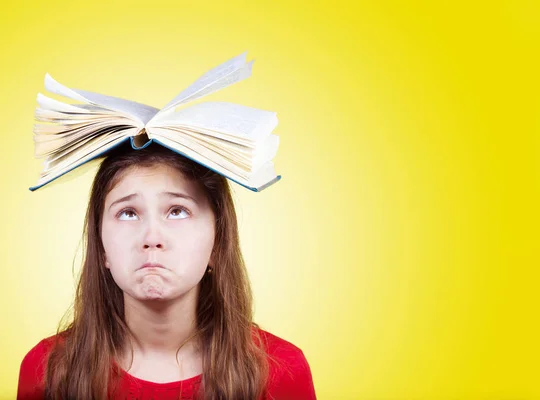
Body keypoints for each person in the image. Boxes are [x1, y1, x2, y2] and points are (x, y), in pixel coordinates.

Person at [17, 144, 316, 399]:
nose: (151, 238)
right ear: (102, 247)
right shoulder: (48, 370)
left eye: (177, 211)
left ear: (217, 241)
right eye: (128, 213)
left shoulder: (283, 371)